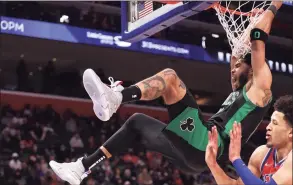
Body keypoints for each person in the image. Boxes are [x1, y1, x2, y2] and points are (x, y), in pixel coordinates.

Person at [49, 2, 282, 185]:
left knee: (170, 78)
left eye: (238, 66)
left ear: (253, 69)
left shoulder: (260, 88)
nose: (232, 68)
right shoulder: (240, 93)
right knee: (136, 123)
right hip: (195, 155)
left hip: (206, 143)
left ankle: (117, 97)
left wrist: (274, 5)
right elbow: (239, 50)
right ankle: (81, 169)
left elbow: (257, 41)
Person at [206, 95, 292, 185]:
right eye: (270, 122)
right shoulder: (261, 154)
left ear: (291, 132)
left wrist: (236, 158)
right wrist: (213, 164)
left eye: (275, 123)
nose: (268, 127)